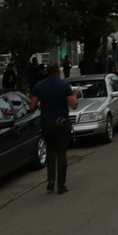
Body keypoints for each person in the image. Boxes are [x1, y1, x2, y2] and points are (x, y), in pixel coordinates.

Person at [30, 62, 80, 195]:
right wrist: (76, 95)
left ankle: (51, 180)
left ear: (47, 71)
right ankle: (61, 185)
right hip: (61, 123)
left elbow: (32, 106)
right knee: (61, 154)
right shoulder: (64, 86)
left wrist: (42, 102)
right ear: (59, 71)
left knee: (50, 152)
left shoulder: (39, 86)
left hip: (46, 123)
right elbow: (73, 104)